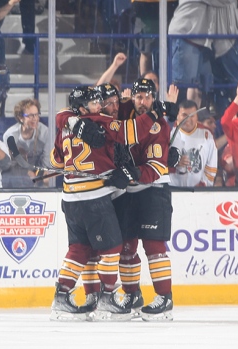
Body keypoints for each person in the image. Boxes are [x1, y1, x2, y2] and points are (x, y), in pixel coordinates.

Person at [49, 85, 162, 322]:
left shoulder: (64, 127)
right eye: (93, 102)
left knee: (79, 248)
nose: (99, 106)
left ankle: (61, 297)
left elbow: (56, 161)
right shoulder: (99, 122)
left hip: (69, 199)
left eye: (99, 102)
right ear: (81, 107)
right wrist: (153, 115)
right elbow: (131, 132)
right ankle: (107, 298)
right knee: (111, 249)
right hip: (93, 199)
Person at [113, 78, 176, 321]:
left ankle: (164, 298)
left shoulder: (159, 126)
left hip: (153, 189)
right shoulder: (126, 113)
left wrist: (130, 173)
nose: (142, 102)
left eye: (147, 97)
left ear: (153, 99)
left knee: (154, 248)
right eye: (138, 97)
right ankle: (132, 294)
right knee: (126, 247)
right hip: (128, 194)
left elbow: (155, 167)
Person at [168, 0, 238, 107]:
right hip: (187, 34)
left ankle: (216, 121)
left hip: (206, 38)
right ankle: (174, 122)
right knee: (181, 86)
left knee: (209, 86)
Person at [2, 98, 51, 188]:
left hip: (39, 170)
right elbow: (12, 162)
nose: (35, 119)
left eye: (36, 115)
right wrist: (27, 172)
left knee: (49, 178)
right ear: (20, 117)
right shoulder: (10, 135)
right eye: (30, 116)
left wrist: (43, 177)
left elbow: (47, 161)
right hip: (18, 172)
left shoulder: (45, 132)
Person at [169, 100, 217, 187]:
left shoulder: (206, 135)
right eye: (184, 115)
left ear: (197, 117)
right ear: (177, 116)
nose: (188, 119)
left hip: (198, 193)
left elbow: (211, 167)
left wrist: (203, 185)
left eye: (192, 116)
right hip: (171, 190)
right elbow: (158, 164)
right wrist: (174, 163)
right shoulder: (168, 134)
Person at [132, 0, 178, 76]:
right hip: (144, 9)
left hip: (170, 6)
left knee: (172, 52)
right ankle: (144, 84)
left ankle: (170, 84)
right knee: (145, 52)